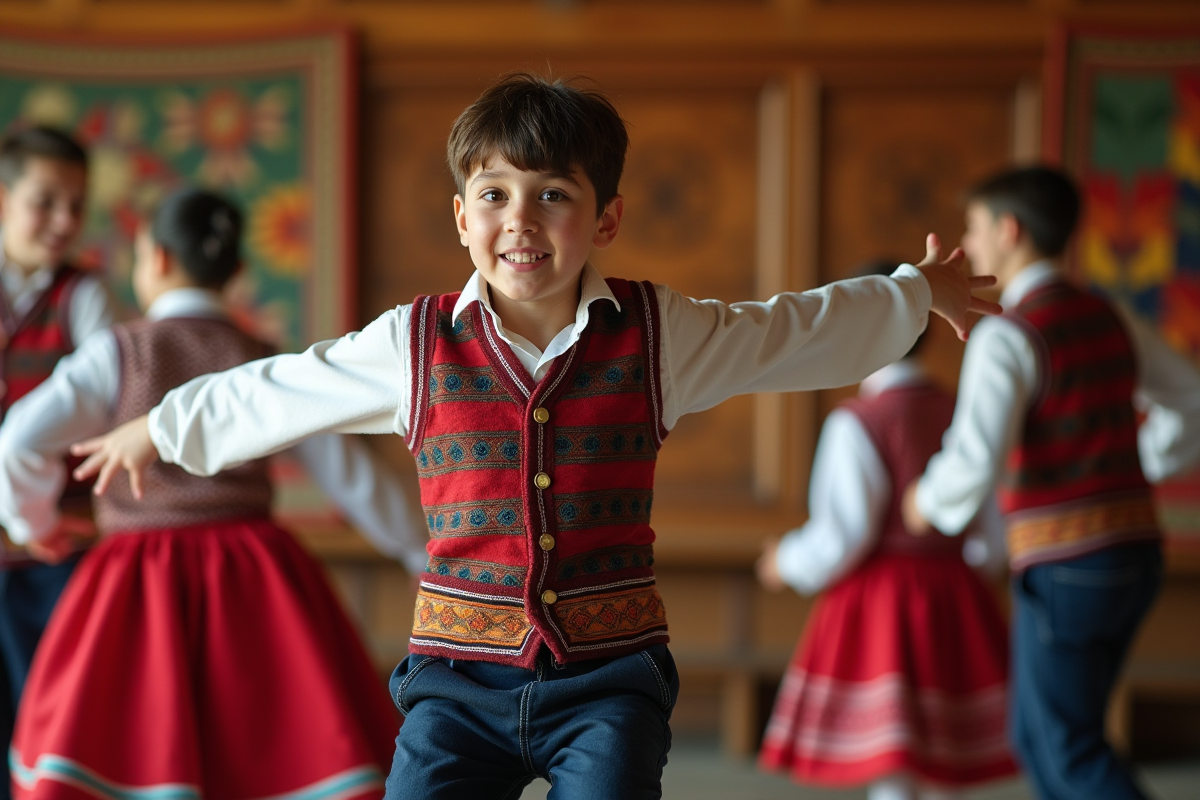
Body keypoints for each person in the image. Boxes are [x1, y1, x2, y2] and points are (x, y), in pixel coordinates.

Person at [70, 73, 1001, 800]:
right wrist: (160, 424)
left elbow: (786, 331)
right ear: (463, 217)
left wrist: (914, 296)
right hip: (452, 683)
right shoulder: (415, 342)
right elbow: (283, 388)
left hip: (609, 680)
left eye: (553, 194)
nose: (522, 219)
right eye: (496, 193)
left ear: (605, 219)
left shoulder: (658, 334)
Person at [1, 187, 427, 800]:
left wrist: (34, 522)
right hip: (252, 575)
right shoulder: (260, 359)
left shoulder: (119, 351)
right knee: (269, 752)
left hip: (135, 575)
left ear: (158, 259)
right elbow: (351, 477)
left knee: (122, 755)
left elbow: (18, 441)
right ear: (237, 272)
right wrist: (421, 553)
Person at [901, 166, 1200, 800]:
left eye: (975, 228)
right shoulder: (1110, 314)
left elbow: (975, 458)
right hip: (1135, 555)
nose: (968, 242)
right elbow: (1193, 400)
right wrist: (1137, 464)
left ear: (1009, 231)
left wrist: (925, 502)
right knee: (1038, 738)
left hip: (1068, 567)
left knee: (1066, 748)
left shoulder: (1009, 333)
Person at [755, 263, 1015, 800]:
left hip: (880, 606)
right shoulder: (962, 413)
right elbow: (993, 527)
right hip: (952, 593)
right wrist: (975, 575)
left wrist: (786, 561)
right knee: (943, 758)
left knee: (893, 762)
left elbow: (842, 538)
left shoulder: (857, 422)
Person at [0, 125, 117, 800]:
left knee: (47, 720)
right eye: (46, 201)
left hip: (56, 549)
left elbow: (104, 394)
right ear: (6, 200)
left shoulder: (85, 295)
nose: (64, 221)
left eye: (76, 204)